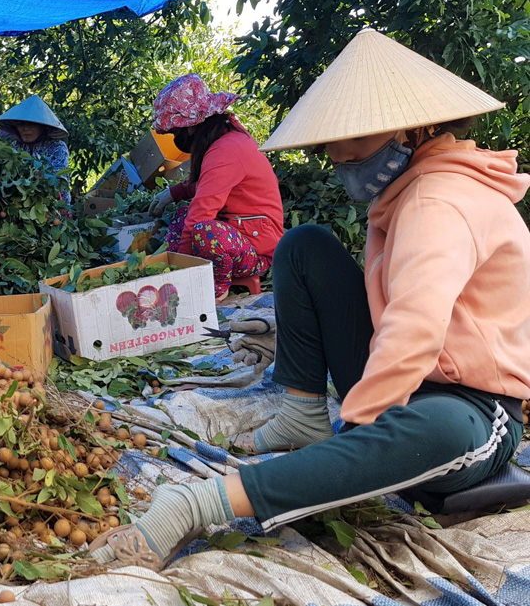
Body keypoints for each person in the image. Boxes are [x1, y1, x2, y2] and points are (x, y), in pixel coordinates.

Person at [89, 30, 529, 570]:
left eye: (356, 141)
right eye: (334, 143)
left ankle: (194, 504)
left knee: (431, 431)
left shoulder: (441, 201)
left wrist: (358, 442)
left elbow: (415, 330)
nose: (338, 156)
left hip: (474, 409)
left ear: (415, 129)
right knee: (305, 246)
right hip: (411, 380)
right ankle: (302, 411)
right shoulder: (407, 190)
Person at [147, 74, 284, 301]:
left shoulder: (226, 150)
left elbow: (202, 211)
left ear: (192, 126)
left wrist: (182, 270)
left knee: (205, 231)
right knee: (182, 215)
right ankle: (193, 274)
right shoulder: (224, 141)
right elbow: (210, 185)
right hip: (240, 231)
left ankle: (216, 290)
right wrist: (174, 192)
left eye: (175, 132)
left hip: (259, 251)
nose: (175, 138)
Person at [0, 95, 72, 206]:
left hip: (53, 208)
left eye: (31, 124)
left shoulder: (57, 147)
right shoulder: (14, 147)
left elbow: (57, 181)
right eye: (21, 124)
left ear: (42, 126)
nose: (25, 129)